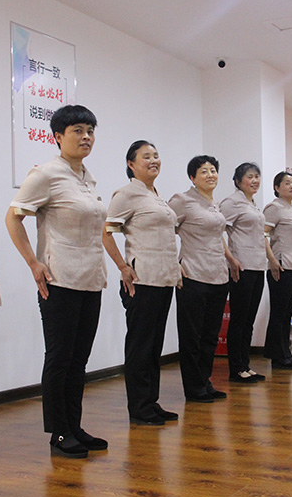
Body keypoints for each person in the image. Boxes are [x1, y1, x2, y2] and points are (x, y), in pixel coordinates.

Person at [6, 105, 108, 459]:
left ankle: (74, 426)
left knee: (79, 360)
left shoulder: (87, 179)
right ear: (58, 136)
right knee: (60, 358)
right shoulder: (46, 174)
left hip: (90, 279)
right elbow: (13, 217)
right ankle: (59, 432)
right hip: (59, 279)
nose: (86, 137)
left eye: (90, 131)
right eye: (78, 130)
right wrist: (33, 263)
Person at [103, 140, 181, 426]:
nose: (153, 160)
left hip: (163, 279)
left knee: (154, 345)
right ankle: (138, 407)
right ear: (131, 164)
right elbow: (106, 233)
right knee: (140, 345)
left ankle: (151, 401)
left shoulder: (156, 195)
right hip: (142, 280)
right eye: (146, 156)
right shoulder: (126, 194)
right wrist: (123, 267)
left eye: (156, 155)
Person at [169, 155, 235, 402]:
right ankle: (194, 387)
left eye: (213, 170)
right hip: (193, 275)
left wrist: (230, 260)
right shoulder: (183, 200)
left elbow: (218, 236)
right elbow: (165, 229)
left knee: (210, 335)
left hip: (218, 276)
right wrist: (174, 263)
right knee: (192, 337)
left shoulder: (214, 203)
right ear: (192, 177)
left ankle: (205, 381)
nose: (210, 175)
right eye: (204, 171)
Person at [220, 163, 269, 383]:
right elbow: (217, 230)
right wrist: (231, 259)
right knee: (239, 319)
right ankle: (236, 369)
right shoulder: (231, 202)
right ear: (238, 181)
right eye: (250, 176)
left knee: (249, 319)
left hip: (258, 266)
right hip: (242, 267)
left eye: (257, 176)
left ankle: (245, 365)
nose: (255, 180)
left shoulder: (252, 204)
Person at [263, 172, 292, 370]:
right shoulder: (274, 208)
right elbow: (262, 234)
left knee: (288, 312)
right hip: (282, 265)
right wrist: (272, 260)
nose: (291, 186)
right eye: (287, 183)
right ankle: (278, 356)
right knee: (279, 313)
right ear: (277, 187)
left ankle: (285, 353)